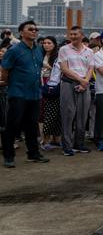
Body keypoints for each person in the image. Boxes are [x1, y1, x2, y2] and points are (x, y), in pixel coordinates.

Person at [1, 21, 49, 167]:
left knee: (32, 125)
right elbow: (5, 69)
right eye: (30, 29)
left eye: (36, 29)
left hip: (35, 94)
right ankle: (9, 156)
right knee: (12, 126)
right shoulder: (14, 50)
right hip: (18, 93)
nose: (34, 31)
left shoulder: (39, 49)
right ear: (21, 32)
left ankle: (33, 154)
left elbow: (39, 67)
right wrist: (10, 82)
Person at [58, 26, 94, 156]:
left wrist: (85, 82)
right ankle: (67, 146)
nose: (73, 36)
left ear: (81, 35)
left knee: (83, 116)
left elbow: (90, 68)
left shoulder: (89, 51)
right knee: (68, 115)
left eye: (75, 34)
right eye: (71, 34)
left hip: (84, 85)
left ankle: (79, 144)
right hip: (68, 84)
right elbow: (64, 68)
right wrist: (81, 80)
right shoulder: (64, 49)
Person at [40, 35, 62, 151]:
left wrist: (45, 66)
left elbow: (58, 71)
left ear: (54, 45)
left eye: (49, 43)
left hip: (55, 86)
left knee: (57, 114)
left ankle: (56, 139)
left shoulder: (57, 57)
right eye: (44, 43)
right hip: (42, 85)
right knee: (47, 113)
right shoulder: (40, 55)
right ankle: (45, 140)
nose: (46, 45)